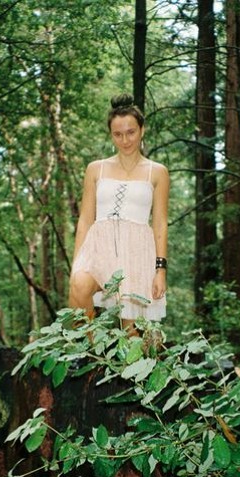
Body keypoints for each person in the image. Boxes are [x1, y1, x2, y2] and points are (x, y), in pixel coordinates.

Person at [68, 93, 169, 331]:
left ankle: (134, 350)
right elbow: (85, 220)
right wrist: (76, 263)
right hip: (98, 249)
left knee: (132, 334)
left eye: (131, 132)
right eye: (118, 134)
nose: (125, 140)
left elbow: (160, 224)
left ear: (142, 130)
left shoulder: (157, 172)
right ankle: (89, 349)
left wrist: (160, 270)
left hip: (136, 252)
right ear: (111, 134)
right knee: (79, 285)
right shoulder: (96, 169)